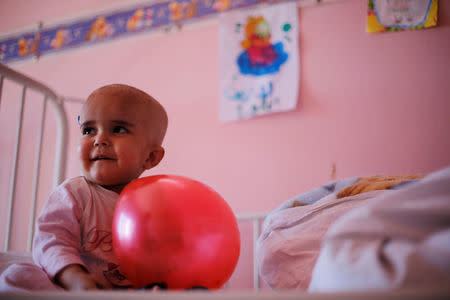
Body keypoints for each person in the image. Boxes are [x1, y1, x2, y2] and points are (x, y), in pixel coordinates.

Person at [0, 84, 168, 291]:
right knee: (19, 274)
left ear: (150, 157)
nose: (99, 140)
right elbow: (51, 242)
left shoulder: (153, 203)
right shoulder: (74, 194)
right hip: (71, 283)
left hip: (127, 288)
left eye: (118, 129)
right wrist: (74, 277)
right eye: (89, 130)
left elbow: (164, 252)